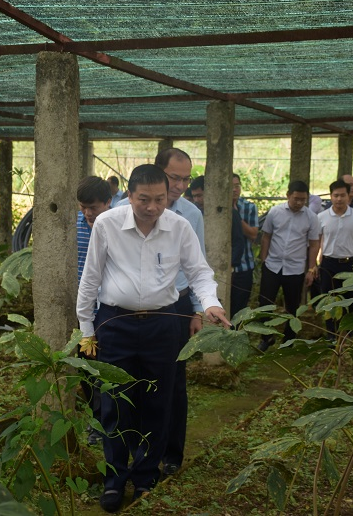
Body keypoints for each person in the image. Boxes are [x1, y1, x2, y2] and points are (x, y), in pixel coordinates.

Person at [77, 164, 230, 512]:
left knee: (158, 404)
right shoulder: (107, 224)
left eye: (159, 199)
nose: (152, 207)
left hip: (163, 325)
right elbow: (90, 278)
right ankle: (114, 480)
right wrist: (87, 332)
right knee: (114, 403)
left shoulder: (180, 226)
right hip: (114, 323)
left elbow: (199, 272)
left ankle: (146, 476)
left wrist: (210, 304)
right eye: (144, 199)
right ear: (129, 196)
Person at [151, 148, 206, 477]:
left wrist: (197, 310)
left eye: (186, 179)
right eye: (175, 177)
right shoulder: (123, 210)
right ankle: (140, 448)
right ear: (157, 172)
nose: (181, 185)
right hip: (137, 305)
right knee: (139, 379)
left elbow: (197, 266)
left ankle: (172, 454)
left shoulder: (191, 215)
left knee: (174, 382)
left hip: (178, 305)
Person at [257, 181, 320, 351]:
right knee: (265, 302)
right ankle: (266, 337)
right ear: (288, 195)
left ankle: (289, 340)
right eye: (296, 199)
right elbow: (266, 237)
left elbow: (314, 244)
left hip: (295, 268)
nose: (299, 203)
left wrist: (311, 269)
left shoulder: (311, 217)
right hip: (273, 265)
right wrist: (264, 260)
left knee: (292, 306)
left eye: (303, 200)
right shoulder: (275, 212)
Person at [75, 175, 111, 445]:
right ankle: (96, 420)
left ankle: (109, 422)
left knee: (106, 367)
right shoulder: (74, 226)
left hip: (109, 310)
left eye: (94, 207)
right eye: (83, 207)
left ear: (108, 203)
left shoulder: (116, 226)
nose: (88, 213)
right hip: (83, 310)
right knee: (86, 366)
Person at [317, 180, 353, 340]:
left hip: (351, 264)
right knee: (329, 299)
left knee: (352, 299)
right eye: (335, 195)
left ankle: (350, 333)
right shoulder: (321, 217)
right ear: (330, 196)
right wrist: (314, 264)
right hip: (328, 264)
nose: (339, 199)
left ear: (349, 196)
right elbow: (317, 242)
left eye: (342, 195)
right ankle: (331, 335)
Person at [232, 174, 259, 317]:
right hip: (222, 267)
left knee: (239, 310)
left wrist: (235, 216)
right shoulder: (214, 208)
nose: (235, 190)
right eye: (231, 187)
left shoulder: (249, 207)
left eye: (237, 186)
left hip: (244, 266)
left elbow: (253, 234)